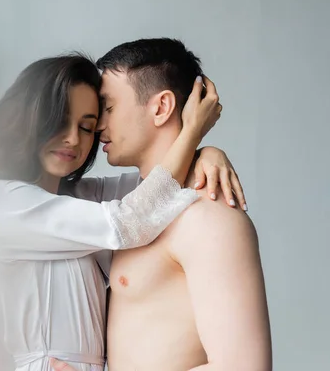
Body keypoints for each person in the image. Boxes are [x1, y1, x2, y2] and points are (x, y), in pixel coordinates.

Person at [0, 53, 242, 371]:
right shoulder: (3, 202)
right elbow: (130, 221)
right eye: (59, 121)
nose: (73, 139)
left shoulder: (80, 198)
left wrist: (207, 154)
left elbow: (157, 183)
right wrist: (193, 133)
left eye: (87, 127)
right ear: (29, 117)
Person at [50, 39, 271, 371]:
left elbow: (244, 367)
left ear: (161, 107)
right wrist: (204, 150)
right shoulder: (131, 208)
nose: (96, 126)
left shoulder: (207, 218)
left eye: (108, 108)